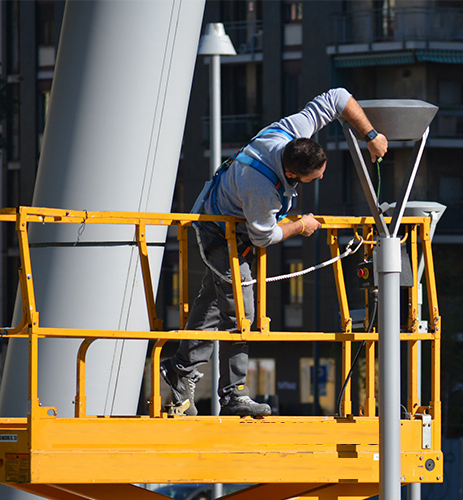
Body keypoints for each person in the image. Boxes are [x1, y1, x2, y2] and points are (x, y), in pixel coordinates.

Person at [161, 88, 388, 416]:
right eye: (314, 178)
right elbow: (264, 235)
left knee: (214, 300)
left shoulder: (292, 131)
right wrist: (301, 225)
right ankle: (233, 393)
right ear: (293, 174)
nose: (320, 177)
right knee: (242, 310)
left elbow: (338, 98)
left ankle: (181, 369)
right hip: (218, 231)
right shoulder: (261, 188)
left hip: (233, 223)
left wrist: (371, 135)